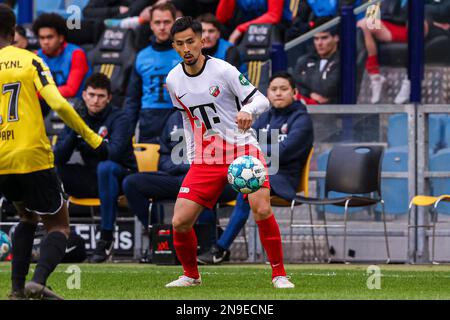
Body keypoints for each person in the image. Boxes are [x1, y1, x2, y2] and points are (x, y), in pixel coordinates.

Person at [164, 16, 294, 288]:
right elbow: (188, 119)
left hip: (242, 150)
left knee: (261, 208)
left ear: (202, 40)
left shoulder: (223, 70)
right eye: (179, 44)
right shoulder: (173, 80)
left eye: (190, 41)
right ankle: (191, 275)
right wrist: (191, 155)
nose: (186, 48)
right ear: (174, 46)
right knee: (179, 222)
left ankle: (279, 274)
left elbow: (261, 99)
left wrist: (248, 110)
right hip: (206, 157)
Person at [0, 4, 105, 300]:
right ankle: (38, 281)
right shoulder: (30, 60)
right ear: (13, 33)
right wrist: (92, 137)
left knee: (26, 217)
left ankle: (17, 291)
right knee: (58, 224)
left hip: (1, 158)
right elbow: (58, 103)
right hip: (31, 154)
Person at [197, 72, 313, 264]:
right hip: (257, 169)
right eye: (274, 89)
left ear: (295, 92)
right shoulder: (264, 117)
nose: (278, 93)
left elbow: (283, 152)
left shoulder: (302, 119)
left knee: (248, 188)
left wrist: (256, 148)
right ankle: (209, 244)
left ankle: (220, 249)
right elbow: (244, 141)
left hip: (283, 178)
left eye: (283, 89)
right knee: (209, 189)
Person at [122, 111, 236, 262]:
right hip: (177, 177)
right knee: (131, 183)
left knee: (202, 186)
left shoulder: (217, 114)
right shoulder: (173, 118)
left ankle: (209, 247)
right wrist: (187, 167)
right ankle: (162, 240)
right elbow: (163, 160)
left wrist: (198, 169)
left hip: (210, 178)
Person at [54, 73, 137, 263]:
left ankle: (105, 239)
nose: (95, 100)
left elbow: (113, 154)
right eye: (91, 95)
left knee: (106, 167)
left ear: (108, 98)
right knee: (54, 171)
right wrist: (77, 128)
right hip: (94, 176)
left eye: (100, 96)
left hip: (122, 176)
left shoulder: (120, 118)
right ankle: (58, 234)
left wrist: (87, 133)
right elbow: (59, 156)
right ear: (84, 95)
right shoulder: (78, 116)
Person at [124, 2, 181, 143]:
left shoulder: (186, 53)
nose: (162, 27)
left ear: (174, 23)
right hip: (149, 120)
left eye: (167, 22)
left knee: (175, 165)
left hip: (179, 117)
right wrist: (127, 130)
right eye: (157, 22)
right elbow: (133, 98)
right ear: (151, 25)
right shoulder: (141, 56)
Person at [33, 13, 91, 99]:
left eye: (50, 37)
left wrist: (36, 94)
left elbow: (70, 90)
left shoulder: (77, 54)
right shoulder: (36, 56)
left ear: (61, 38)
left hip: (75, 105)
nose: (45, 42)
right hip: (48, 103)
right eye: (42, 38)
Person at [294, 18, 340, 105]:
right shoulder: (304, 60)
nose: (319, 43)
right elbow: (293, 85)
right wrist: (309, 93)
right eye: (316, 39)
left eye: (324, 38)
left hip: (335, 113)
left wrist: (304, 80)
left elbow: (326, 89)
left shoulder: (342, 61)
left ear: (336, 38)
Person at [216, 0, 294, 44]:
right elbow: (222, 18)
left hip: (278, 28)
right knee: (221, 29)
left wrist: (240, 29)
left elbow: (273, 16)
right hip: (247, 29)